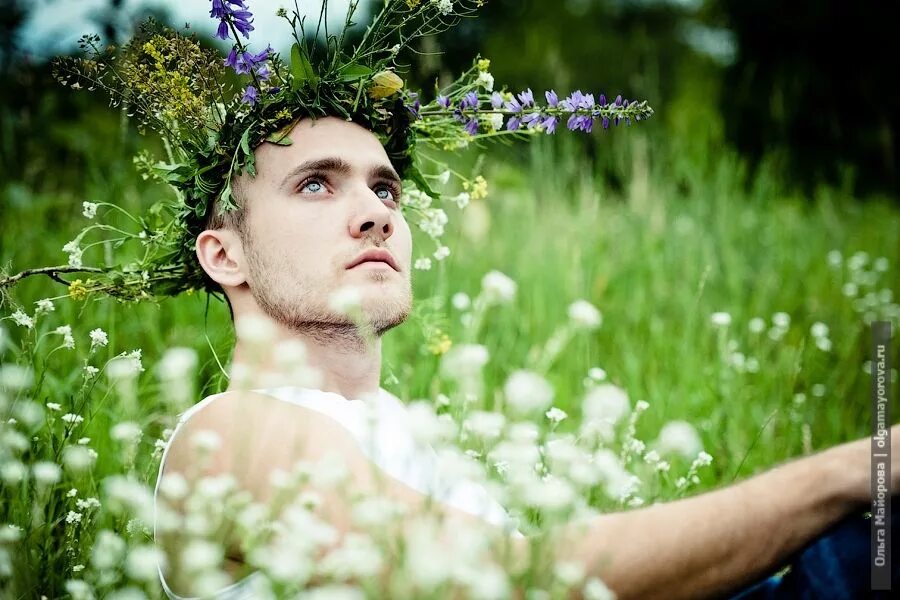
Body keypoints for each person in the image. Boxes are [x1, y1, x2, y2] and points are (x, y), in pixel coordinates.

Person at [151, 113, 900, 599]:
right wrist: (849, 472)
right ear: (225, 254)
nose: (377, 212)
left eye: (387, 189)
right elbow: (511, 582)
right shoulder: (231, 434)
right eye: (316, 184)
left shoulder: (406, 431)